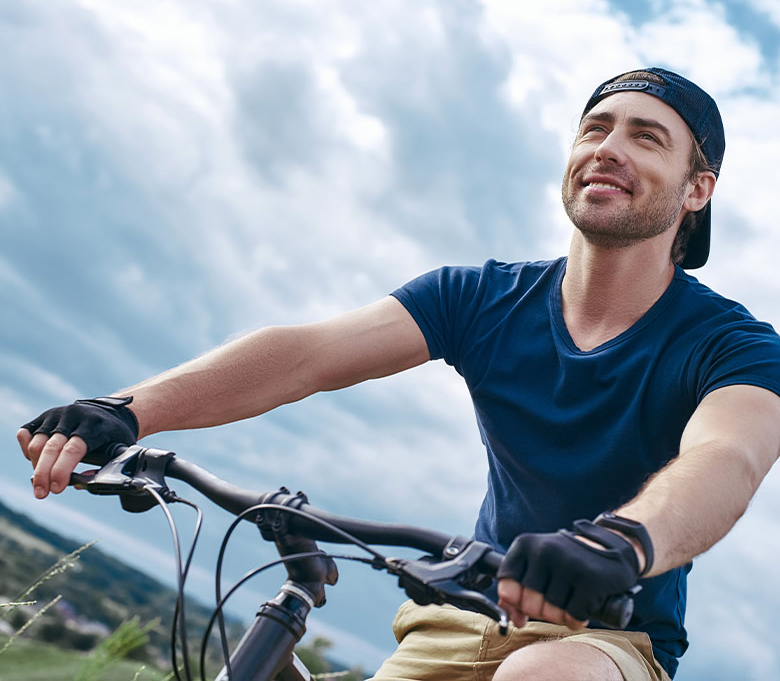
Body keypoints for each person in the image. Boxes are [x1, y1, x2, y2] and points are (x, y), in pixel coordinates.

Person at [17, 67, 780, 681]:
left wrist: (622, 542)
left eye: (647, 137)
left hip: (607, 643)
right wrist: (128, 407)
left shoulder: (733, 346)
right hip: (458, 617)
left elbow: (729, 457)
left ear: (696, 190)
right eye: (595, 128)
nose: (609, 147)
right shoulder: (482, 297)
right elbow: (306, 354)